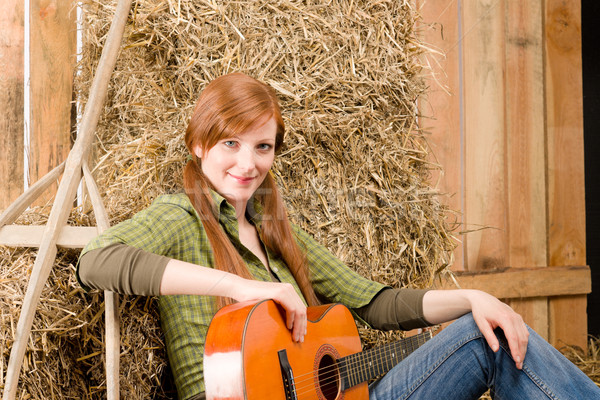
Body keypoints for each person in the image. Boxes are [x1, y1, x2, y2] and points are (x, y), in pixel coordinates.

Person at [77, 72, 600, 400]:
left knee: (486, 328)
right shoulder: (179, 217)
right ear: (198, 146)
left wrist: (474, 296)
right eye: (230, 143)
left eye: (262, 147)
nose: (247, 162)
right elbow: (97, 260)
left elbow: (377, 304)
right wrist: (248, 289)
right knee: (482, 339)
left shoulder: (276, 228)